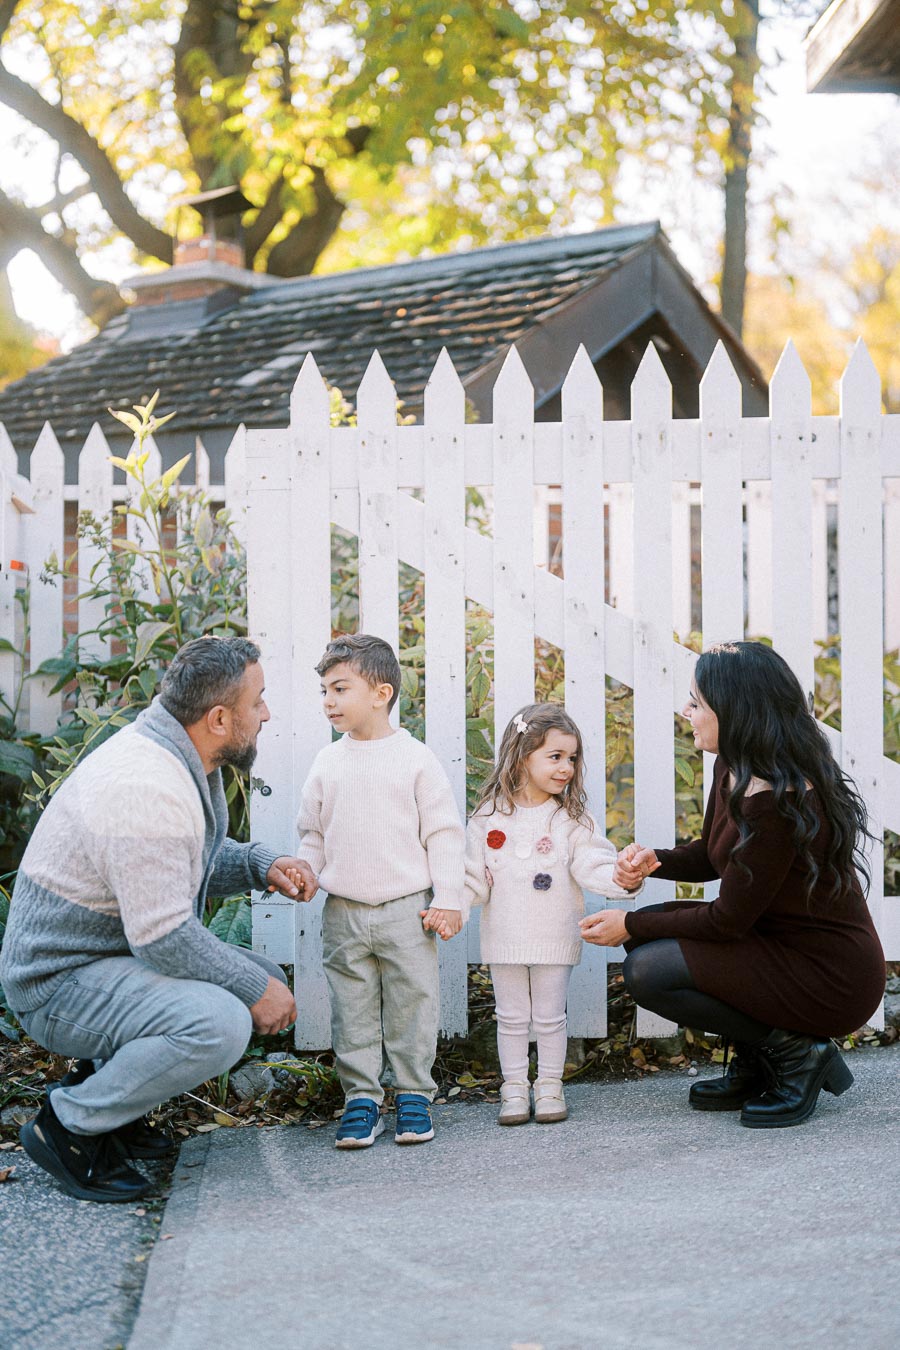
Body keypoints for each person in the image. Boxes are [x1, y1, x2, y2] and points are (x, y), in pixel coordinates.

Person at [0, 636, 317, 1202]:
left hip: (105, 955)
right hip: (57, 983)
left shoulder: (177, 751)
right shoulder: (146, 784)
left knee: (257, 974)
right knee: (221, 1019)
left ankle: (114, 1112)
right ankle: (70, 1126)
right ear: (219, 718)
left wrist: (257, 863)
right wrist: (252, 989)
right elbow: (164, 935)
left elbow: (175, 864)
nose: (266, 714)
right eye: (258, 701)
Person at [581, 640, 886, 1129]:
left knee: (648, 968)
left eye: (697, 703)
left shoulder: (779, 800)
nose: (687, 711)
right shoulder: (735, 767)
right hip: (773, 945)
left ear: (736, 711)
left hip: (829, 974)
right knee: (644, 941)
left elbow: (727, 920)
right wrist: (655, 859)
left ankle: (799, 1053)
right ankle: (759, 1059)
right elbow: (713, 855)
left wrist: (630, 921)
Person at [294, 633, 465, 1149]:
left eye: (340, 689)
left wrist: (449, 897)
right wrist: (306, 870)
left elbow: (443, 834)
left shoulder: (415, 759)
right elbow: (313, 832)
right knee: (353, 1006)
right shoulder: (328, 762)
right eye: (324, 690)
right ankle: (361, 1099)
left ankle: (414, 1093)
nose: (329, 701)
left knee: (414, 1002)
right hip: (343, 909)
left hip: (407, 909)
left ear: (381, 692)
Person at [463, 703, 635, 1127]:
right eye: (555, 756)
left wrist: (623, 877)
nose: (566, 768)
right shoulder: (487, 818)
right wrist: (448, 901)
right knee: (511, 1017)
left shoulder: (571, 819)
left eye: (572, 758)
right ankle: (515, 1088)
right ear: (522, 755)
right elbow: (472, 877)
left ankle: (551, 1085)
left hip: (554, 933)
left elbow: (593, 864)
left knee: (550, 1016)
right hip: (504, 934)